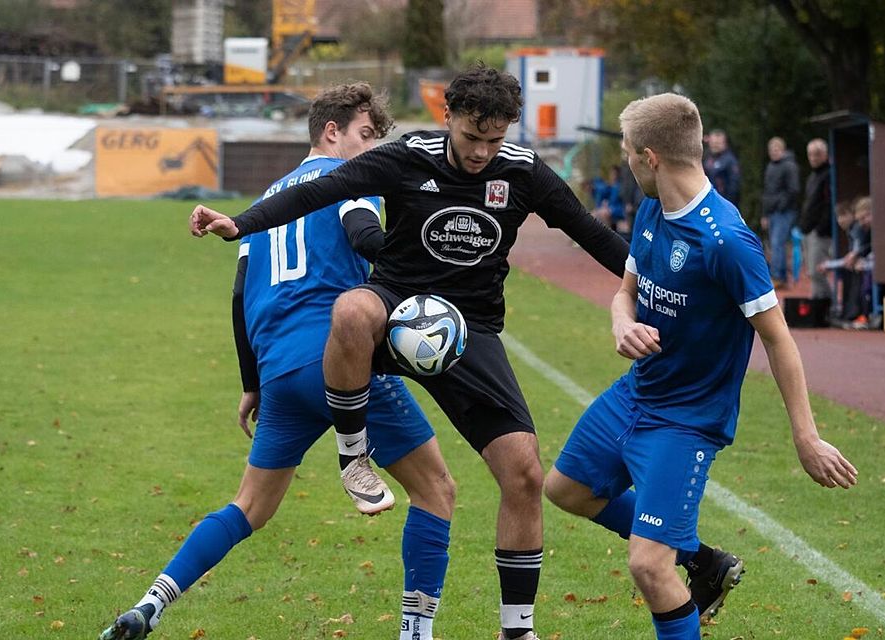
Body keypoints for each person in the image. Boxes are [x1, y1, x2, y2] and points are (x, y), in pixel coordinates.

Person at [189, 65, 744, 640]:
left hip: (469, 329)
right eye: (472, 137)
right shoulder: (407, 156)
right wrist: (240, 223)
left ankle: (517, 628)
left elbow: (593, 235)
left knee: (525, 472)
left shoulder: (523, 173)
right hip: (397, 302)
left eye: (495, 139)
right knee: (352, 309)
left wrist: (674, 298)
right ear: (447, 116)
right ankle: (354, 456)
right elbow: (319, 190)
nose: (482, 152)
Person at [99, 83, 457, 640]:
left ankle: (149, 605)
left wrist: (252, 384)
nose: (371, 151)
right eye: (365, 135)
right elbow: (364, 237)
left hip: (280, 373)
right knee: (437, 490)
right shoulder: (349, 185)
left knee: (249, 507)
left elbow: (241, 296)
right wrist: (423, 269)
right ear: (331, 131)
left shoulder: (266, 200)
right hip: (340, 364)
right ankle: (416, 633)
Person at [543, 94, 858, 640]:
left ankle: (687, 568)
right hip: (635, 394)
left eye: (625, 152)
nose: (625, 161)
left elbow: (780, 341)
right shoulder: (651, 209)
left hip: (686, 420)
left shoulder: (728, 242)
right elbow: (626, 293)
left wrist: (806, 437)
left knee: (648, 565)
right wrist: (622, 324)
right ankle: (706, 562)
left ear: (649, 157)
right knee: (566, 489)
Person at [761, 136, 801, 287]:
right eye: (771, 150)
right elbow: (766, 192)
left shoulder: (789, 166)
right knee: (774, 244)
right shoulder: (770, 167)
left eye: (776, 149)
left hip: (784, 212)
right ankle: (780, 275)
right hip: (772, 212)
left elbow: (794, 190)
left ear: (783, 150)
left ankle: (778, 276)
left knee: (778, 243)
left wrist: (780, 205)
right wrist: (764, 214)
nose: (774, 152)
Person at [798, 138, 833, 300]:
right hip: (807, 229)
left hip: (819, 232)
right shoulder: (813, 176)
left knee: (816, 270)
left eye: (817, 154)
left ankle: (828, 303)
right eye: (810, 154)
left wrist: (821, 227)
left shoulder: (829, 175)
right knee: (811, 272)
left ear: (825, 154)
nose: (813, 158)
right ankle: (818, 304)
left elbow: (829, 204)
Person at [702, 129, 740, 205]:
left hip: (723, 202)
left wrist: (726, 203)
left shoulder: (730, 160)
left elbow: (734, 186)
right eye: (713, 143)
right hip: (707, 201)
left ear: (725, 143)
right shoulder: (706, 157)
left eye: (718, 143)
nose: (715, 145)